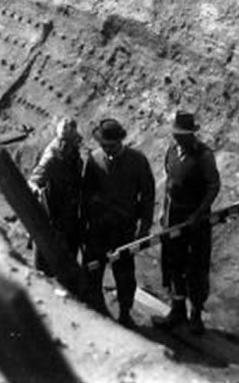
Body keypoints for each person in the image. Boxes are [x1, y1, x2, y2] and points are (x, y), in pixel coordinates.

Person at [80, 117, 155, 329]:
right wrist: (86, 223)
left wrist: (145, 226)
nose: (107, 150)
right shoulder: (93, 160)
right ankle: (96, 309)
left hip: (123, 228)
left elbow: (148, 195)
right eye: (103, 146)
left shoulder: (137, 161)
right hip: (98, 229)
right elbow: (86, 193)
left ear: (120, 142)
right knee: (93, 270)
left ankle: (124, 312)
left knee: (125, 274)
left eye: (111, 146)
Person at [154, 110, 220, 335]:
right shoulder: (172, 151)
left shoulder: (204, 155)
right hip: (174, 215)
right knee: (173, 262)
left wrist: (199, 213)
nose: (178, 138)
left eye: (183, 134)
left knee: (196, 265)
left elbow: (213, 186)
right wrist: (165, 212)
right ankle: (177, 309)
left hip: (196, 219)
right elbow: (170, 183)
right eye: (176, 133)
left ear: (192, 134)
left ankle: (196, 315)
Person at [28, 117, 84, 275]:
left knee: (69, 260)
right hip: (52, 215)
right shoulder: (52, 155)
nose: (67, 145)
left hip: (71, 213)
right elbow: (34, 180)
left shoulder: (74, 154)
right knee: (44, 263)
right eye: (65, 141)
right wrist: (36, 191)